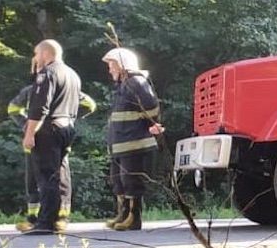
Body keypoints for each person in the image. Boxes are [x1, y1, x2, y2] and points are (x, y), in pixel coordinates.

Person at [9, 75, 96, 231]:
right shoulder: (30, 91)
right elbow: (13, 109)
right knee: (34, 180)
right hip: (34, 141)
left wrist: (68, 118)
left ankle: (61, 217)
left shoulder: (63, 91)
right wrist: (27, 126)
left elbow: (89, 105)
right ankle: (33, 217)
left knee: (61, 178)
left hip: (55, 139)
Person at [22, 39, 82, 234]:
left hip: (49, 129)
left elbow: (40, 107)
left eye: (36, 54)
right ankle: (58, 218)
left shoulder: (47, 74)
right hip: (67, 127)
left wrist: (30, 133)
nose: (35, 58)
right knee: (60, 174)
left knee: (46, 176)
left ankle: (45, 222)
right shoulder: (72, 74)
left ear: (45, 54)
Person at [103, 47, 162, 231]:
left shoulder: (136, 82)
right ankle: (123, 214)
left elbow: (152, 107)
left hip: (134, 143)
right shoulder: (123, 85)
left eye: (112, 65)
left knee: (131, 181)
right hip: (121, 144)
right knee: (118, 181)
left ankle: (134, 218)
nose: (110, 69)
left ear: (123, 65)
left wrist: (150, 124)